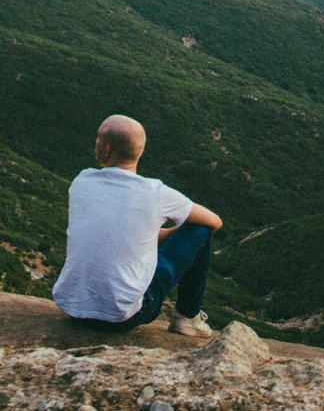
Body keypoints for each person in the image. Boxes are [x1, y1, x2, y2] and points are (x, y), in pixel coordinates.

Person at [51, 114, 223, 337]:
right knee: (200, 230)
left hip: (72, 307)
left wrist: (155, 234)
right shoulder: (155, 193)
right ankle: (187, 317)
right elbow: (214, 222)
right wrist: (170, 233)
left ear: (106, 148)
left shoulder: (81, 182)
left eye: (97, 140)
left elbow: (112, 225)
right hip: (122, 317)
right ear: (139, 151)